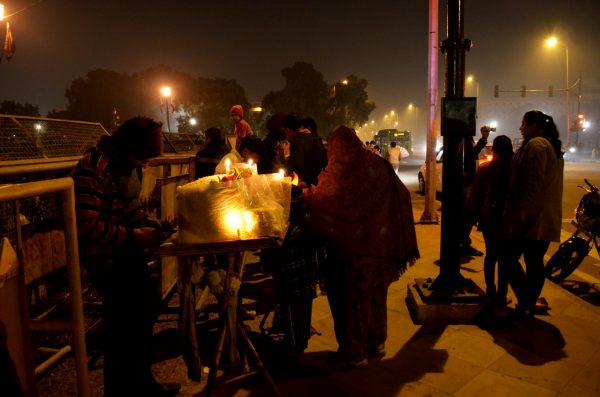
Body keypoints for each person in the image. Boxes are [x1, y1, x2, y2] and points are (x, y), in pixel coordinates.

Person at [72, 117, 180, 396]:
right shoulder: (92, 167)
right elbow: (86, 225)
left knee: (142, 319)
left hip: (129, 254)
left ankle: (143, 386)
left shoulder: (126, 166)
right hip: (107, 260)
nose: (146, 164)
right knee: (123, 332)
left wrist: (154, 225)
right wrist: (134, 236)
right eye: (145, 158)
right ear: (132, 147)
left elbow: (129, 212)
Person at [310, 126, 419, 367]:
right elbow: (401, 193)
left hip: (350, 252)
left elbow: (321, 204)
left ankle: (354, 352)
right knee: (376, 297)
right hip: (380, 249)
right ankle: (376, 343)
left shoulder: (338, 171)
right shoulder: (377, 164)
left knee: (349, 302)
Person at [499, 110, 564, 318]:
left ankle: (527, 299)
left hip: (531, 217)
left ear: (534, 125)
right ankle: (527, 302)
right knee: (533, 261)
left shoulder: (537, 146)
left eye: (524, 124)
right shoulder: (546, 145)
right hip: (539, 216)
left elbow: (531, 184)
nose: (521, 128)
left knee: (509, 258)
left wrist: (520, 214)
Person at [467, 135, 513, 305]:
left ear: (494, 150)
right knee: (505, 258)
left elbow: (475, 197)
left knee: (491, 254)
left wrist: (471, 218)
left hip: (489, 219)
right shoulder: (515, 169)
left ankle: (490, 289)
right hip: (509, 220)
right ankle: (502, 293)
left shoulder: (485, 169)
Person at [461, 125, 491, 256]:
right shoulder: (465, 138)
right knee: (468, 214)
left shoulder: (466, 138)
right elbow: (470, 155)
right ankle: (464, 243)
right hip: (467, 182)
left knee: (468, 215)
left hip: (468, 181)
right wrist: (483, 138)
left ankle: (464, 242)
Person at [283, 113, 328, 188]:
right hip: (320, 182)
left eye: (285, 131)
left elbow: (297, 167)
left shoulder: (296, 142)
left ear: (287, 129)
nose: (286, 135)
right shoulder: (316, 138)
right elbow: (325, 161)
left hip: (306, 185)